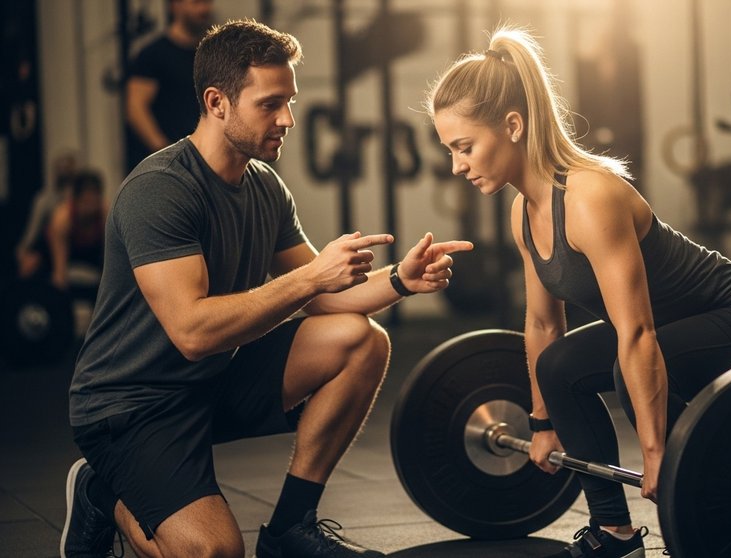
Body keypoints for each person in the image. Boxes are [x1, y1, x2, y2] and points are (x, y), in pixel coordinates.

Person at [61, 19, 472, 558]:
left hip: (213, 382)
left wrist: (399, 280)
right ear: (217, 102)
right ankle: (102, 490)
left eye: (290, 101)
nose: (287, 119)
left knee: (361, 339)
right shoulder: (160, 190)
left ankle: (290, 528)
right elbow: (191, 332)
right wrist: (311, 277)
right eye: (270, 104)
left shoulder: (263, 186)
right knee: (215, 552)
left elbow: (326, 297)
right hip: (135, 406)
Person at [426, 27, 731, 558]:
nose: (456, 165)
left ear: (512, 125)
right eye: (450, 150)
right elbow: (541, 326)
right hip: (672, 330)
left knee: (631, 380)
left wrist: (656, 452)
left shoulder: (589, 197)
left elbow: (636, 331)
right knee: (560, 365)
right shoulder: (524, 211)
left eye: (464, 147)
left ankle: (719, 505)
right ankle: (615, 533)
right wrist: (541, 424)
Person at [124, 0, 213, 171]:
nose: (204, 9)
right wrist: (165, 151)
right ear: (175, 6)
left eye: (207, 2)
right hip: (168, 166)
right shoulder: (153, 55)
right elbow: (135, 108)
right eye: (196, 3)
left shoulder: (212, 55)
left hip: (205, 162)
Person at [46, 169, 108, 299]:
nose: (90, 208)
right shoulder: (62, 219)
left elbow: (109, 265)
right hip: (67, 255)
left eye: (94, 201)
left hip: (93, 257)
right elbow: (59, 271)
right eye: (86, 202)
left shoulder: (105, 215)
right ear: (75, 200)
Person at [16, 152, 79, 280]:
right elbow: (32, 233)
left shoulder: (80, 199)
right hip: (49, 251)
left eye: (68, 169)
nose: (64, 173)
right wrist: (24, 251)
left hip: (78, 248)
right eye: (61, 169)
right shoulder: (44, 200)